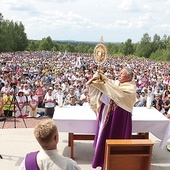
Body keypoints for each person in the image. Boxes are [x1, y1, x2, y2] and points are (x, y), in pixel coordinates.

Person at [87, 67, 136, 169]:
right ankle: (103, 161)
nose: (119, 74)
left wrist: (105, 84)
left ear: (128, 77)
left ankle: (117, 163)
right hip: (108, 115)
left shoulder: (130, 88)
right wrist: (99, 78)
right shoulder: (117, 83)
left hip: (119, 118)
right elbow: (109, 86)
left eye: (121, 74)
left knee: (116, 137)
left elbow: (115, 92)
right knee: (104, 136)